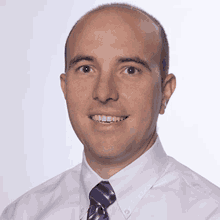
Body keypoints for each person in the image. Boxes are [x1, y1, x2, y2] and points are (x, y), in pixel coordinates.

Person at [1, 3, 220, 220]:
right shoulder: (22, 214)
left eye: (130, 70)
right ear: (65, 87)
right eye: (86, 68)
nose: (104, 93)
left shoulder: (210, 211)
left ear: (165, 92)